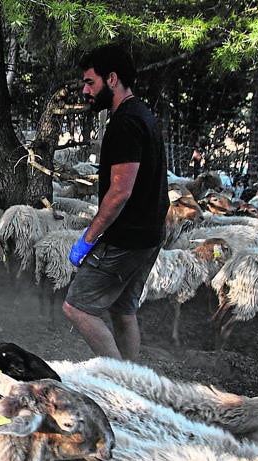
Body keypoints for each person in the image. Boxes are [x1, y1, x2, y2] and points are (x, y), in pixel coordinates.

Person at [62, 44, 169, 361]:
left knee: (77, 307)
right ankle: (133, 382)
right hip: (149, 235)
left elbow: (121, 191)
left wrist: (88, 238)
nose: (85, 90)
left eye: (90, 82)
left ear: (112, 79)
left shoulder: (124, 124)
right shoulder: (144, 116)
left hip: (125, 238)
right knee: (124, 309)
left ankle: (115, 382)